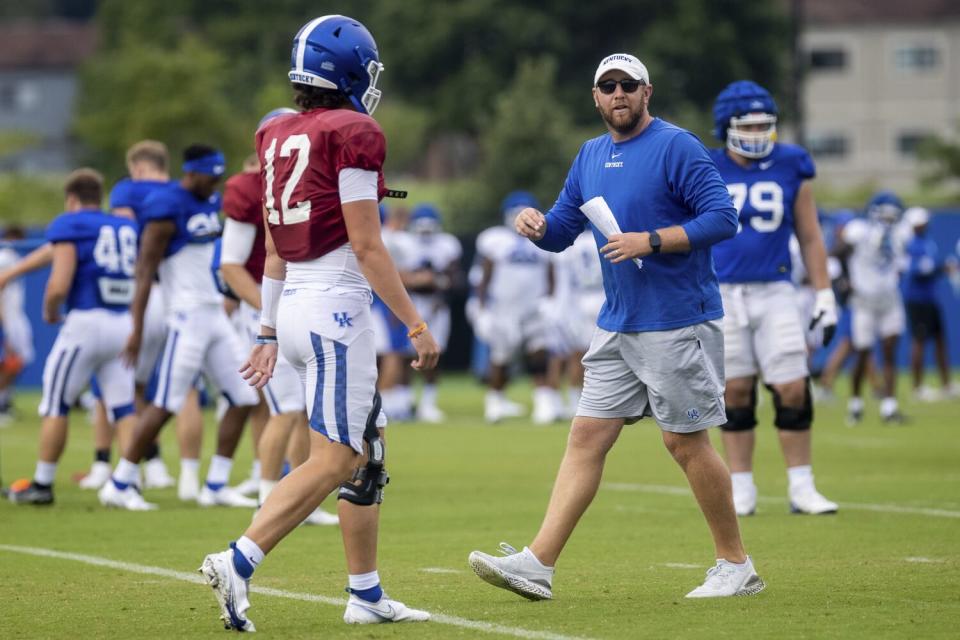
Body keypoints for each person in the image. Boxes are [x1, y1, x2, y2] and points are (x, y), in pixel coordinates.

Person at [469, 53, 763, 599]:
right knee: (586, 435)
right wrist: (534, 226)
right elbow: (561, 230)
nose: (619, 93)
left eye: (629, 85)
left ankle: (735, 564)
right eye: (609, 86)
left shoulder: (677, 145)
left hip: (677, 320)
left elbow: (723, 217)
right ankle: (539, 563)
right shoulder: (590, 154)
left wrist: (648, 240)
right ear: (596, 97)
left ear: (647, 92)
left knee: (684, 442)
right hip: (618, 322)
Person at [198, 15, 439, 630]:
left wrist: (269, 329)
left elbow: (276, 250)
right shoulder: (354, 130)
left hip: (299, 305)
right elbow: (368, 245)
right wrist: (414, 324)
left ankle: (366, 594)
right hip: (336, 308)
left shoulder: (278, 131)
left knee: (367, 454)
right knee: (334, 458)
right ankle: (239, 559)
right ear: (350, 69)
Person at [98, 144, 260, 510]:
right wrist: (136, 328)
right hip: (185, 316)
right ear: (191, 172)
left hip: (214, 313)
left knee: (245, 396)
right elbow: (144, 272)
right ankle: (120, 483)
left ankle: (216, 483)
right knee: (166, 403)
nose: (215, 182)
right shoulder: (166, 205)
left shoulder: (209, 199)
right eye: (210, 175)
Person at [708, 80, 838, 516]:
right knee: (736, 390)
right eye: (750, 124)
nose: (759, 132)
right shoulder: (706, 167)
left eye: (766, 124)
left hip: (776, 289)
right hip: (723, 292)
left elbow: (810, 235)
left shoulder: (792, 163)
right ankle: (741, 486)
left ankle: (802, 484)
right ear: (726, 126)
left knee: (792, 386)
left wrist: (824, 294)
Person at [219, 123, 337, 525]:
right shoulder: (250, 187)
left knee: (303, 410)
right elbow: (232, 264)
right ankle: (270, 500)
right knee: (285, 409)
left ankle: (300, 501)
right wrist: (268, 314)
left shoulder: (310, 181)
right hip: (273, 309)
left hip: (299, 304)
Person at [8, 169, 139, 505]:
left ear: (71, 199)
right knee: (123, 407)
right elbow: (56, 250)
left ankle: (42, 484)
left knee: (55, 402)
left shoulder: (70, 224)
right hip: (122, 321)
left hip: (85, 321)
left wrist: (51, 310)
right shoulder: (123, 226)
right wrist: (14, 272)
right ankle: (127, 483)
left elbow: (59, 281)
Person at [474, 191, 557, 424]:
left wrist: (550, 299)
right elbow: (484, 277)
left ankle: (544, 401)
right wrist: (481, 308)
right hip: (504, 307)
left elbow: (551, 273)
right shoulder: (495, 240)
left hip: (534, 308)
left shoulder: (543, 241)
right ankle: (495, 400)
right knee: (501, 356)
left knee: (539, 352)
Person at [836, 191, 908, 424]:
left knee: (889, 350)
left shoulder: (900, 234)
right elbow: (837, 251)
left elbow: (900, 266)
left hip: (889, 300)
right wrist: (845, 279)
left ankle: (889, 406)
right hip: (864, 301)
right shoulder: (859, 231)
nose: (889, 220)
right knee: (863, 353)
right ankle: (855, 403)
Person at [404, 203, 462, 422]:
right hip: (410, 304)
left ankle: (428, 402)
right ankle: (405, 400)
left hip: (437, 305)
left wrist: (437, 283)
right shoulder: (404, 244)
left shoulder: (447, 245)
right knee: (406, 354)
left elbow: (454, 279)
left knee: (434, 353)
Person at [902, 206, 958, 400]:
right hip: (917, 300)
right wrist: (943, 268)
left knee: (940, 340)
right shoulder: (911, 244)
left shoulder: (927, 241)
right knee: (919, 341)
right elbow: (919, 271)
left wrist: (942, 267)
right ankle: (917, 387)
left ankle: (947, 384)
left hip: (930, 298)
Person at [0, 226, 34, 423]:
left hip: (15, 316)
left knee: (17, 360)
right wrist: (3, 323)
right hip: (8, 317)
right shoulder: (5, 257)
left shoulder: (14, 258)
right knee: (9, 361)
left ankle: (4, 401)